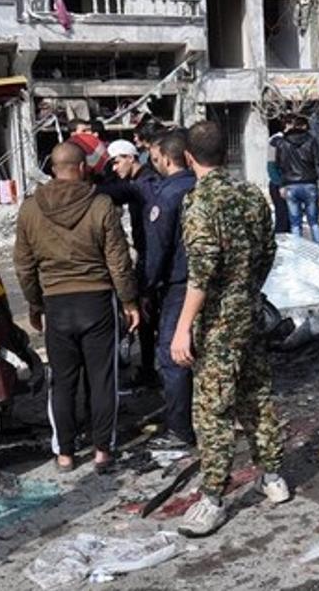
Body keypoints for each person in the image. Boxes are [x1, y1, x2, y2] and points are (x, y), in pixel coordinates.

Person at [170, 121, 288, 538]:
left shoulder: (199, 202)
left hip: (218, 323)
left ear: (188, 157)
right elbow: (270, 250)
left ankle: (213, 499)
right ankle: (273, 477)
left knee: (213, 410)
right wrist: (249, 289)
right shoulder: (251, 194)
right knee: (257, 396)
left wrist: (182, 328)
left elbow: (201, 274)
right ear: (225, 154)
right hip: (250, 313)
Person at [13, 143, 140, 474]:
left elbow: (23, 265)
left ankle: (66, 454)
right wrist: (129, 301)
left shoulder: (30, 209)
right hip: (97, 301)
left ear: (53, 169)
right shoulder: (101, 205)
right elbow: (119, 259)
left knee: (63, 380)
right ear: (83, 168)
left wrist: (35, 303)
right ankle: (102, 451)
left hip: (56, 303)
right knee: (102, 379)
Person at [143, 130, 198, 448]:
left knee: (173, 355)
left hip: (179, 286)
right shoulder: (204, 188)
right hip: (212, 284)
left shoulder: (166, 196)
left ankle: (180, 428)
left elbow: (158, 250)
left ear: (165, 158)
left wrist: (146, 289)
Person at [98, 139, 160, 386]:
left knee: (149, 316)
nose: (114, 168)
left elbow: (113, 192)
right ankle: (148, 368)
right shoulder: (136, 182)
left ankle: (152, 370)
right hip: (147, 255)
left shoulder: (144, 183)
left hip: (151, 257)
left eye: (116, 162)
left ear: (130, 158)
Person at [272, 115, 319, 244]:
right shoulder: (311, 140)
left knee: (295, 223)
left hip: (291, 184)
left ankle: (298, 253)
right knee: (314, 222)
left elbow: (278, 163)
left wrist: (282, 182)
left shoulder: (283, 142)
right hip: (309, 183)